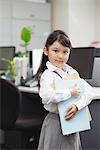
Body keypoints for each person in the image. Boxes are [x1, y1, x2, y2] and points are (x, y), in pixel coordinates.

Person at [35, 30, 94, 150]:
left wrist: (77, 106)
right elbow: (47, 97)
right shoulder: (48, 75)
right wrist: (69, 93)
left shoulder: (71, 72)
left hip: (73, 120)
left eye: (65, 51)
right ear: (46, 51)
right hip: (56, 122)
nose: (61, 56)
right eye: (55, 51)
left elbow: (89, 92)